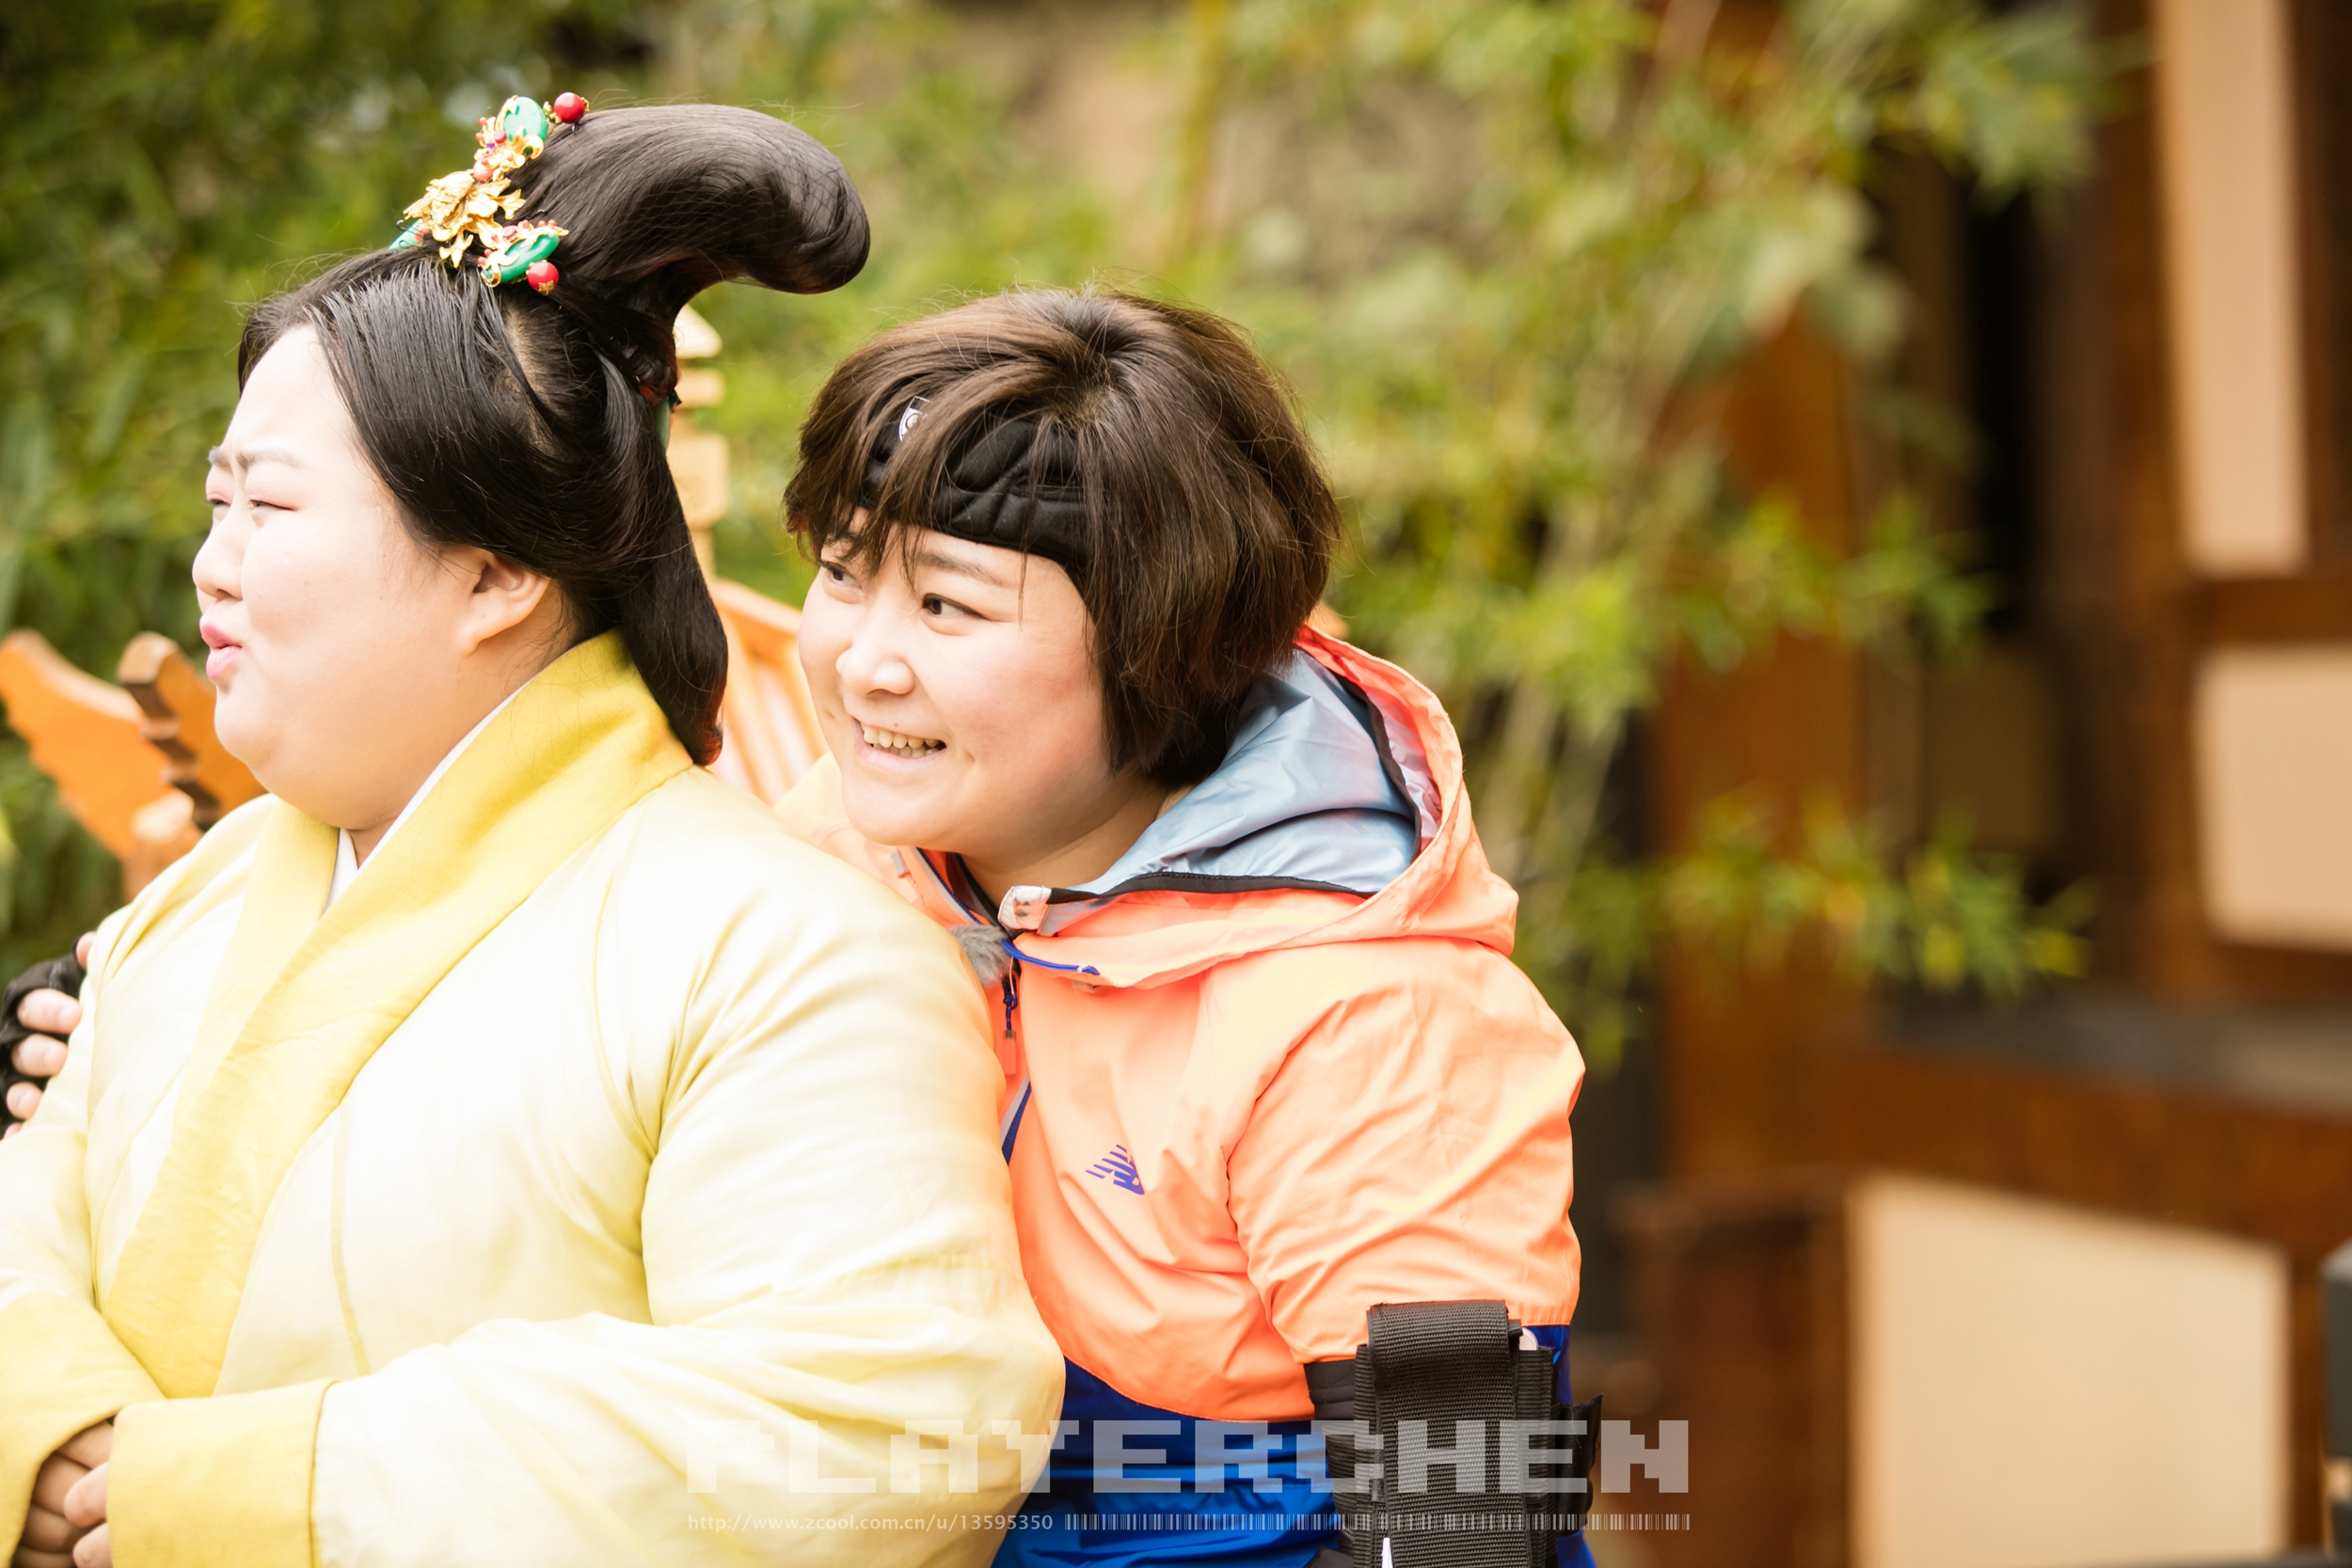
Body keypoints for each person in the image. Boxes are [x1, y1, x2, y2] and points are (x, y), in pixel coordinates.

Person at [0, 99, 1060, 1568]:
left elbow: (884, 1427)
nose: (211, 568)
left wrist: (255, 1491)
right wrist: (49, 1429)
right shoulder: (220, 880)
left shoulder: (794, 956)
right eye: (216, 502)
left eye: (270, 509)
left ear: (496, 572)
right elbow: (33, 1201)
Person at [777, 288, 1596, 1567]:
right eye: (842, 571)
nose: (862, 661)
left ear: (1160, 644)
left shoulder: (1365, 1013)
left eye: (948, 607)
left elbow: (1465, 1531)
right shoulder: (843, 843)